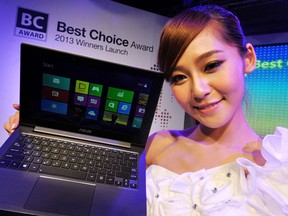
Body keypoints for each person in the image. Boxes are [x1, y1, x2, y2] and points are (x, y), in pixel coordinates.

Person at [3, 5, 288, 216]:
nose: (198, 90)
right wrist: (38, 134)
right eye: (179, 77)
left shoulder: (278, 166)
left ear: (248, 59)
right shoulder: (158, 144)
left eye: (211, 65)